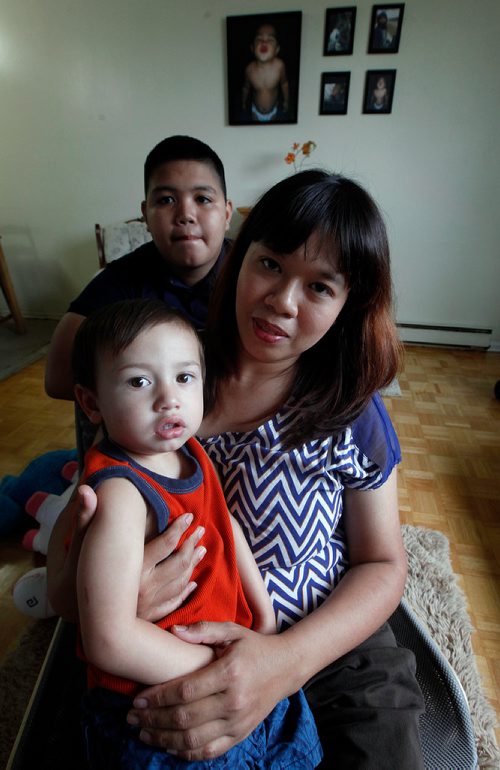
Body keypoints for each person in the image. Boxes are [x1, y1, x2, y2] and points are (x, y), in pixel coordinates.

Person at [48, 170, 425, 769]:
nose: (282, 300)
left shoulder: (350, 407)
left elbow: (383, 563)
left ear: (349, 304)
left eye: (320, 286)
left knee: (388, 744)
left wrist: (284, 662)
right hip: (178, 633)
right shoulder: (169, 374)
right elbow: (76, 569)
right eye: (270, 264)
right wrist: (119, 598)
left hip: (321, 636)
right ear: (238, 256)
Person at [71, 297, 322, 769]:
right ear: (92, 403)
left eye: (184, 377)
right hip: (157, 705)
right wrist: (218, 671)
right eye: (139, 381)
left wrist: (263, 617)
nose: (168, 397)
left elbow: (225, 525)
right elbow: (108, 637)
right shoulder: (121, 493)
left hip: (226, 660)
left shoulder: (190, 451)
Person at [45, 135, 233, 401]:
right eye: (167, 200)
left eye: (202, 199)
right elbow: (58, 378)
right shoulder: (124, 280)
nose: (185, 214)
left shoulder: (255, 273)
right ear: (145, 215)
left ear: (226, 214)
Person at [242, 23, 289, 122]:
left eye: (270, 40)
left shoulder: (279, 66)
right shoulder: (249, 69)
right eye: (259, 39)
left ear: (277, 49)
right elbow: (246, 87)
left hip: (274, 111)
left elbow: (284, 84)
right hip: (255, 111)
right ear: (252, 48)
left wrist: (286, 101)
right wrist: (243, 101)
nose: (264, 42)